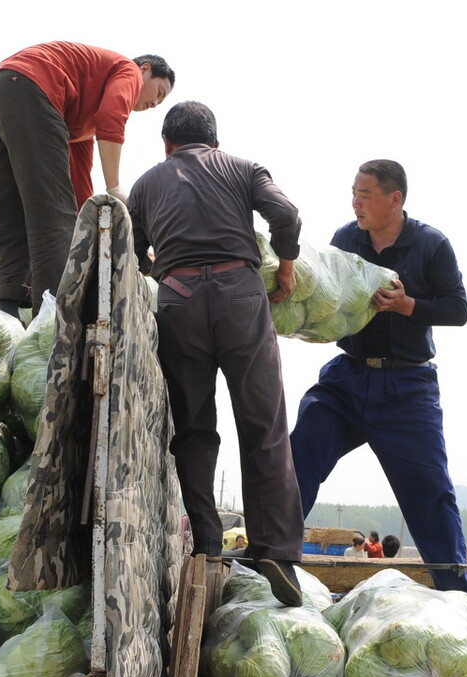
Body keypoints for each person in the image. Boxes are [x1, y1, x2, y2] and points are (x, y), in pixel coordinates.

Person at [128, 101, 305, 607]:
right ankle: (273, 549)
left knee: (194, 428)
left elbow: (134, 253)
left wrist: (161, 266)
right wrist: (286, 265)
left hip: (178, 301)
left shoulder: (145, 185)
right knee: (263, 425)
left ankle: (207, 540)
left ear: (167, 144)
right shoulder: (244, 168)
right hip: (241, 296)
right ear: (215, 141)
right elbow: (286, 214)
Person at [289, 159, 467, 594]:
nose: (356, 203)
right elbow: (326, 294)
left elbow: (458, 309)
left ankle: (457, 589)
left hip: (408, 388)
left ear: (395, 199)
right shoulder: (345, 240)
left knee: (429, 490)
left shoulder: (431, 245)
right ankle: (270, 553)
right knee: (298, 452)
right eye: (353, 193)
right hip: (347, 379)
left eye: (365, 194)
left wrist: (409, 306)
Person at [0, 42, 175, 317]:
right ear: (145, 69)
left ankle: (6, 310)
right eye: (159, 92)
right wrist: (115, 189)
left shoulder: (79, 121)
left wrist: (92, 220)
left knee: (9, 214)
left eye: (160, 103)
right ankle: (50, 323)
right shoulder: (127, 70)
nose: (154, 104)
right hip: (32, 88)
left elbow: (78, 182)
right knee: (53, 221)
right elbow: (111, 118)